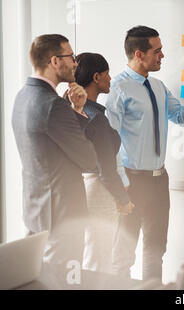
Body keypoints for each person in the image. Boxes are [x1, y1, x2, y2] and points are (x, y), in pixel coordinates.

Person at [106, 26, 184, 280]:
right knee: (123, 254)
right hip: (131, 182)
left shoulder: (157, 86)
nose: (162, 55)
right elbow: (108, 142)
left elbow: (182, 117)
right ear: (139, 54)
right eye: (157, 51)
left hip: (159, 180)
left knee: (156, 250)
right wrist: (121, 183)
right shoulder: (118, 89)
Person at [12, 34, 97, 265]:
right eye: (71, 57)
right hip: (62, 217)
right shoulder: (53, 105)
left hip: (36, 211)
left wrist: (75, 109)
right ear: (55, 61)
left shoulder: (22, 96)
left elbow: (50, 149)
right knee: (65, 282)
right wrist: (78, 113)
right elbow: (89, 159)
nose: (75, 63)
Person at [72, 52, 135, 273]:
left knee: (92, 254)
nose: (111, 79)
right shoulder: (95, 117)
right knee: (99, 258)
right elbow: (106, 169)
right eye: (107, 75)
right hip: (99, 189)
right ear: (96, 77)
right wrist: (123, 199)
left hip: (85, 186)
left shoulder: (76, 111)